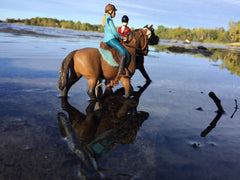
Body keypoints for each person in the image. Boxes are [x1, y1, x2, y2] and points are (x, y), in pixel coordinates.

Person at [102, 4, 128, 75]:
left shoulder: (105, 18)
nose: (115, 13)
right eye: (114, 11)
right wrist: (122, 37)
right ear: (110, 11)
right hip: (111, 39)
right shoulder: (109, 19)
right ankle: (121, 70)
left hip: (106, 39)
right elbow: (114, 32)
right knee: (123, 51)